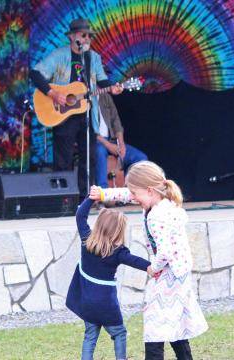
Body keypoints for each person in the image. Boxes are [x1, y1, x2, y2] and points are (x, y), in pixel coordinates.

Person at [92, 161, 208, 360]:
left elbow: (164, 251)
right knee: (173, 321)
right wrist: (102, 194)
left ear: (149, 190)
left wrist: (153, 268)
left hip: (169, 273)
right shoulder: (160, 200)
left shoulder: (157, 216)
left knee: (155, 323)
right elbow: (127, 194)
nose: (133, 199)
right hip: (178, 273)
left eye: (136, 194)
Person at [30, 18, 122, 197]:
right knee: (63, 157)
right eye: (83, 35)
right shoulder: (59, 55)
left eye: (89, 36)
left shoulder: (93, 58)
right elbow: (35, 73)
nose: (87, 38)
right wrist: (53, 94)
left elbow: (102, 81)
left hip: (86, 112)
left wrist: (113, 87)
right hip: (62, 113)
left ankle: (85, 197)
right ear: (72, 37)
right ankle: (63, 198)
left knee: (89, 157)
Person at [66, 185, 153, 360]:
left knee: (90, 335)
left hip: (87, 302)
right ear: (118, 231)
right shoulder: (118, 252)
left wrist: (92, 198)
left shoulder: (87, 240)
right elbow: (135, 261)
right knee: (119, 333)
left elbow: (80, 215)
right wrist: (152, 266)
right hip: (106, 305)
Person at [96, 92, 148, 188]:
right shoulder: (84, 100)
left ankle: (131, 189)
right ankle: (103, 191)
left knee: (140, 158)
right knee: (99, 151)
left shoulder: (105, 96)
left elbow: (116, 122)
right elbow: (88, 130)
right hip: (96, 142)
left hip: (111, 139)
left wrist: (121, 144)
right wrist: (108, 145)